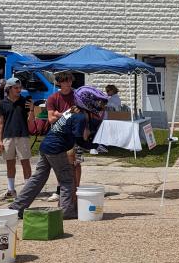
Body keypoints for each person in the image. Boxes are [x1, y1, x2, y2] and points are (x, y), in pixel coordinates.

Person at [8, 87, 108, 219]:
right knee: (67, 179)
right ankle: (66, 211)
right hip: (56, 149)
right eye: (97, 102)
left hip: (46, 146)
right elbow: (78, 139)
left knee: (38, 178)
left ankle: (17, 207)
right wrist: (95, 146)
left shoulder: (73, 110)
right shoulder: (80, 117)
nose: (99, 106)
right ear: (87, 102)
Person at [0, 78, 34, 200]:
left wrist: (32, 109)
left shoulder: (25, 101)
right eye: (16, 88)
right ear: (9, 89)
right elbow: (0, 123)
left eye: (20, 87)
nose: (19, 90)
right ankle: (11, 190)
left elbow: (31, 121)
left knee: (25, 162)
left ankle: (28, 190)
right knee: (10, 164)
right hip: (7, 136)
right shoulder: (2, 103)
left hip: (22, 135)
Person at [46, 72, 78, 202]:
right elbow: (50, 119)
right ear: (59, 82)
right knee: (60, 164)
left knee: (76, 163)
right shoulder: (53, 98)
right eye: (65, 81)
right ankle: (60, 190)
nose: (68, 83)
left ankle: (75, 189)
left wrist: (59, 114)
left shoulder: (76, 96)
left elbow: (78, 114)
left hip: (74, 133)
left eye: (70, 81)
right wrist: (66, 114)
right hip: (59, 135)